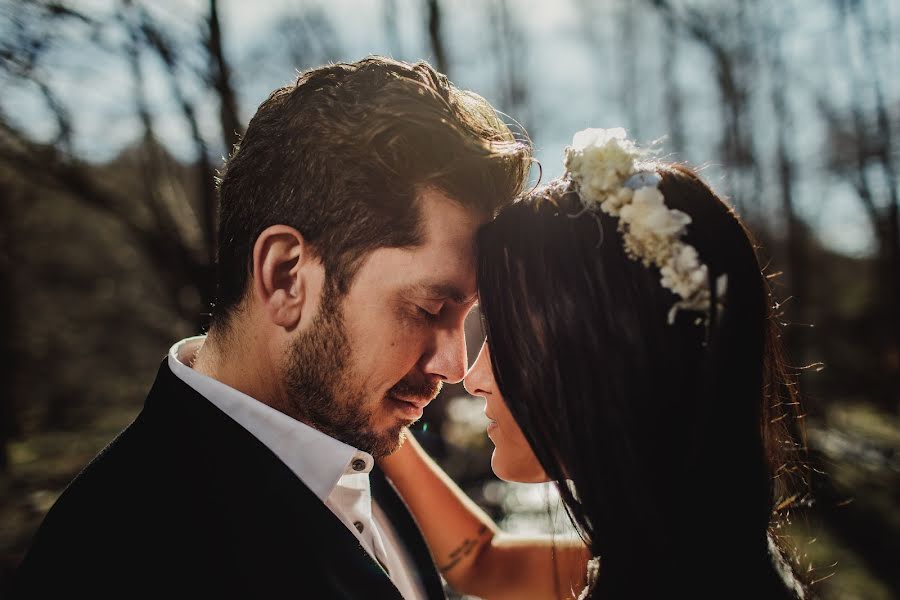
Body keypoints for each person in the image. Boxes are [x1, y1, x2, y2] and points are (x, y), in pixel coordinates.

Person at [12, 57, 536, 599]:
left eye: (466, 316)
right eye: (428, 309)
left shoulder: (345, 421)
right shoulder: (119, 558)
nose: (453, 367)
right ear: (286, 276)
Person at [380, 129, 810, 599]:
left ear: (608, 354)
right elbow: (484, 564)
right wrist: (381, 427)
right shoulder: (685, 548)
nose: (473, 377)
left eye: (504, 339)